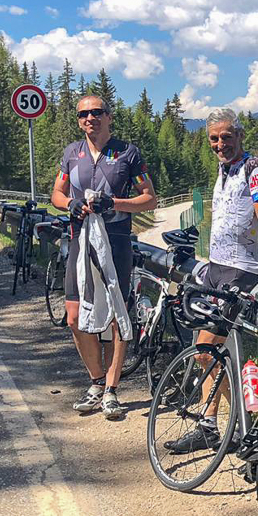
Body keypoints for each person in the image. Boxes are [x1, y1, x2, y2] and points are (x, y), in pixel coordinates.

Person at [165, 107, 258, 453]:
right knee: (208, 352)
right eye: (214, 139)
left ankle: (233, 421)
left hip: (241, 271)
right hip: (218, 267)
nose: (220, 144)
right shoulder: (223, 169)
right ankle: (218, 423)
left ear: (240, 136)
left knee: (206, 351)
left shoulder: (254, 168)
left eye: (226, 137)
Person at [50, 94, 157, 420]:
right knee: (73, 316)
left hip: (116, 242)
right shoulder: (72, 153)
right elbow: (56, 193)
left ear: (109, 117)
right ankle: (95, 381)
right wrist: (68, 204)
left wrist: (114, 204)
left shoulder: (128, 153)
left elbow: (149, 199)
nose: (90, 118)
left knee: (116, 318)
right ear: (79, 119)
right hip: (80, 242)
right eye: (84, 114)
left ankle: (111, 389)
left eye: (97, 112)